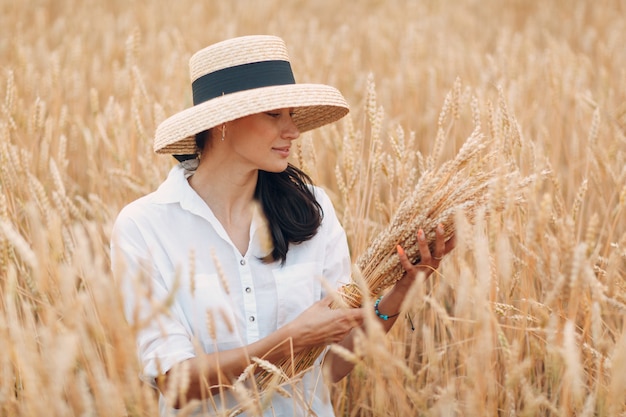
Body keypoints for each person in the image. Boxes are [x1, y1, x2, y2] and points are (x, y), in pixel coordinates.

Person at [110, 35, 454, 417]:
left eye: (291, 114)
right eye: (274, 115)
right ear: (223, 121)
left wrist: (402, 290)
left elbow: (332, 368)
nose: (293, 131)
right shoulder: (145, 227)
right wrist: (289, 340)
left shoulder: (313, 208)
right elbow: (174, 384)